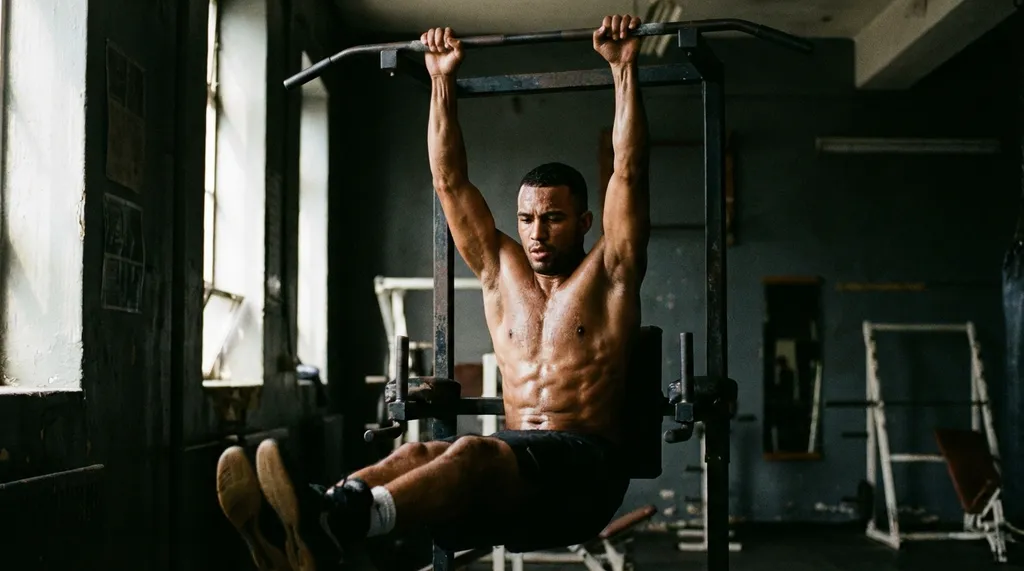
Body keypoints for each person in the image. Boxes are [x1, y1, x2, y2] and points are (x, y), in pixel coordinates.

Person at [216, 13, 651, 571]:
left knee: (471, 450)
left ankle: (336, 526)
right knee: (419, 451)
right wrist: (441, 81)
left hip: (583, 474)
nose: (537, 233)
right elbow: (449, 182)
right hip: (520, 467)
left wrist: (623, 70)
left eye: (554, 219)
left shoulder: (611, 273)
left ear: (586, 221)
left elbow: (630, 175)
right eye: (526, 219)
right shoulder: (502, 273)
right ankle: (315, 518)